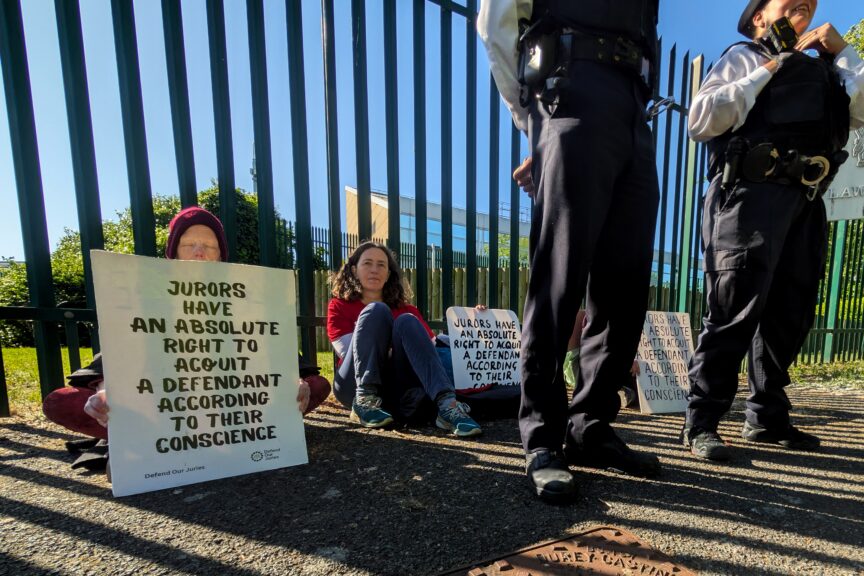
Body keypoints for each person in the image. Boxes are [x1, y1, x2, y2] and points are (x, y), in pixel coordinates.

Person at [479, 0, 663, 502]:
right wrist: (533, 126)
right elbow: (497, 23)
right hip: (569, 89)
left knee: (624, 282)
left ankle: (590, 424)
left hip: (633, 109)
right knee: (559, 278)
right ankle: (541, 436)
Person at [683, 0, 864, 461]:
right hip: (748, 193)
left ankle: (766, 417)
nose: (805, 3)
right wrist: (770, 67)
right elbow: (702, 119)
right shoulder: (744, 56)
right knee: (734, 304)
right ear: (759, 16)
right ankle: (702, 419)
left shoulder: (832, 72)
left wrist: (844, 53)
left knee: (791, 309)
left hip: (805, 199)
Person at [42, 206, 330, 469]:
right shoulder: (148, 299)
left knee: (316, 385)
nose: (199, 252)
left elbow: (274, 351)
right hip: (165, 408)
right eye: (189, 244)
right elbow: (122, 350)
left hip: (234, 406)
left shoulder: (246, 299)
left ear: (221, 255)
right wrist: (105, 391)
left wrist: (295, 381)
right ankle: (147, 439)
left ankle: (208, 438)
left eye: (209, 246)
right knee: (62, 401)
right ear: (174, 251)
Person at [327, 241, 482, 437]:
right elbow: (352, 351)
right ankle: (364, 401)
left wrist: (473, 322)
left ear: (388, 274)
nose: (374, 269)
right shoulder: (339, 305)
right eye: (367, 263)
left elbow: (429, 352)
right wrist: (400, 347)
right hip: (354, 384)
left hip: (397, 387)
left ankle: (448, 406)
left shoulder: (407, 310)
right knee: (377, 310)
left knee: (407, 321)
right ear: (354, 270)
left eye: (381, 265)